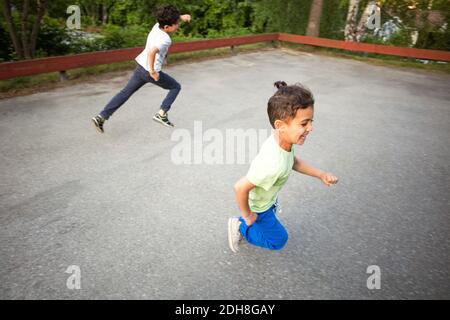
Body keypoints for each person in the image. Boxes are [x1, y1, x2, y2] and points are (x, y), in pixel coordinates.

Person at [229, 81, 339, 252]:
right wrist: (248, 216)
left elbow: (293, 161)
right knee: (278, 240)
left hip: (268, 198)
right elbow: (240, 188)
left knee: (268, 215)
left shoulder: (283, 140)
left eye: (311, 121)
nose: (311, 128)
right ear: (280, 125)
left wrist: (321, 174)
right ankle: (240, 227)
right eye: (304, 124)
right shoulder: (272, 164)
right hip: (260, 207)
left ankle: (249, 221)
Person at [92, 5, 191, 132]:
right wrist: (153, 72)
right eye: (177, 24)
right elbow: (152, 53)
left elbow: (166, 19)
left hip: (140, 67)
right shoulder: (165, 39)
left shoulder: (157, 26)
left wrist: (181, 17)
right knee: (175, 87)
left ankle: (102, 117)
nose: (178, 26)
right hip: (150, 71)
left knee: (125, 93)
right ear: (167, 27)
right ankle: (162, 114)